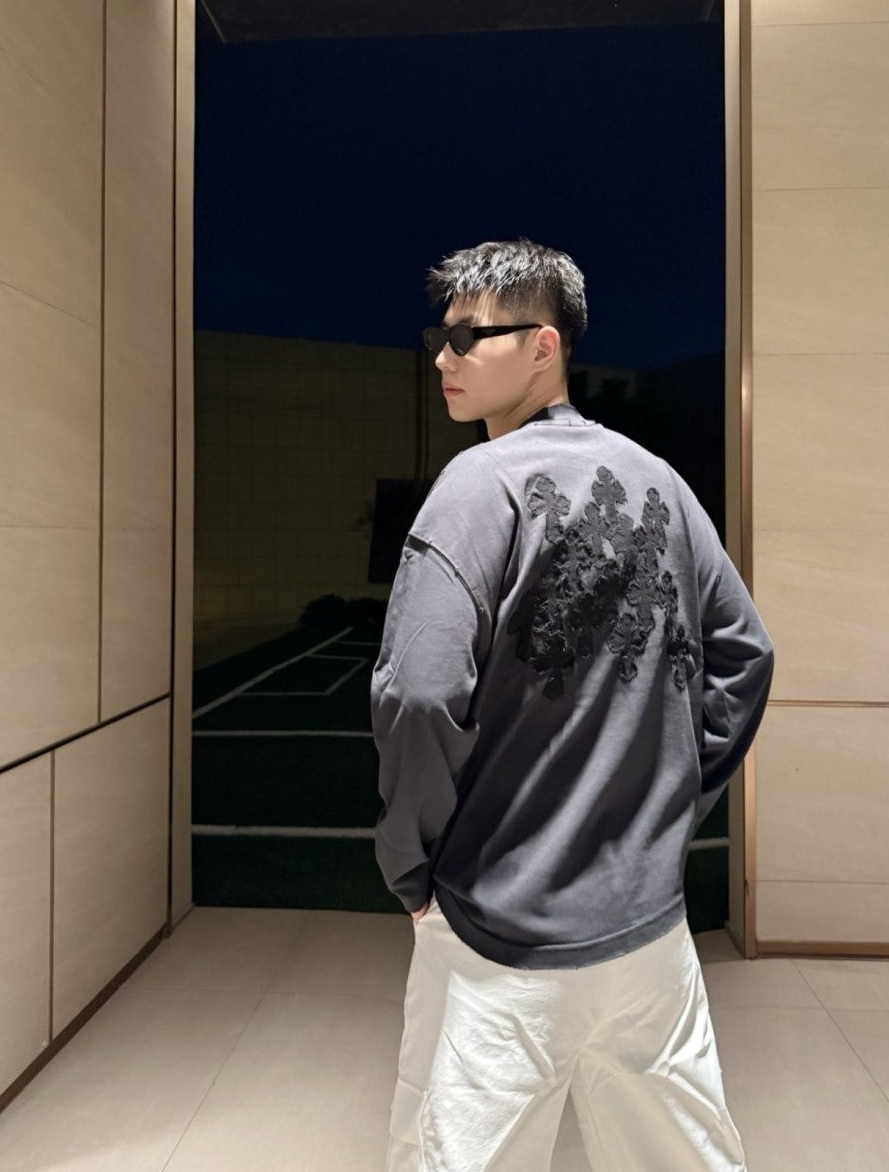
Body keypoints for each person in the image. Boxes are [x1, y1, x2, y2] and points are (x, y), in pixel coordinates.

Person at [371, 238, 773, 1172]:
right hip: (648, 927)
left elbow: (419, 695)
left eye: (468, 337)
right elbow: (743, 657)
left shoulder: (476, 486)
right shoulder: (660, 482)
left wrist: (409, 865)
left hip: (501, 931)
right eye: (440, 337)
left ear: (542, 346)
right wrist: (671, 806)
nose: (443, 357)